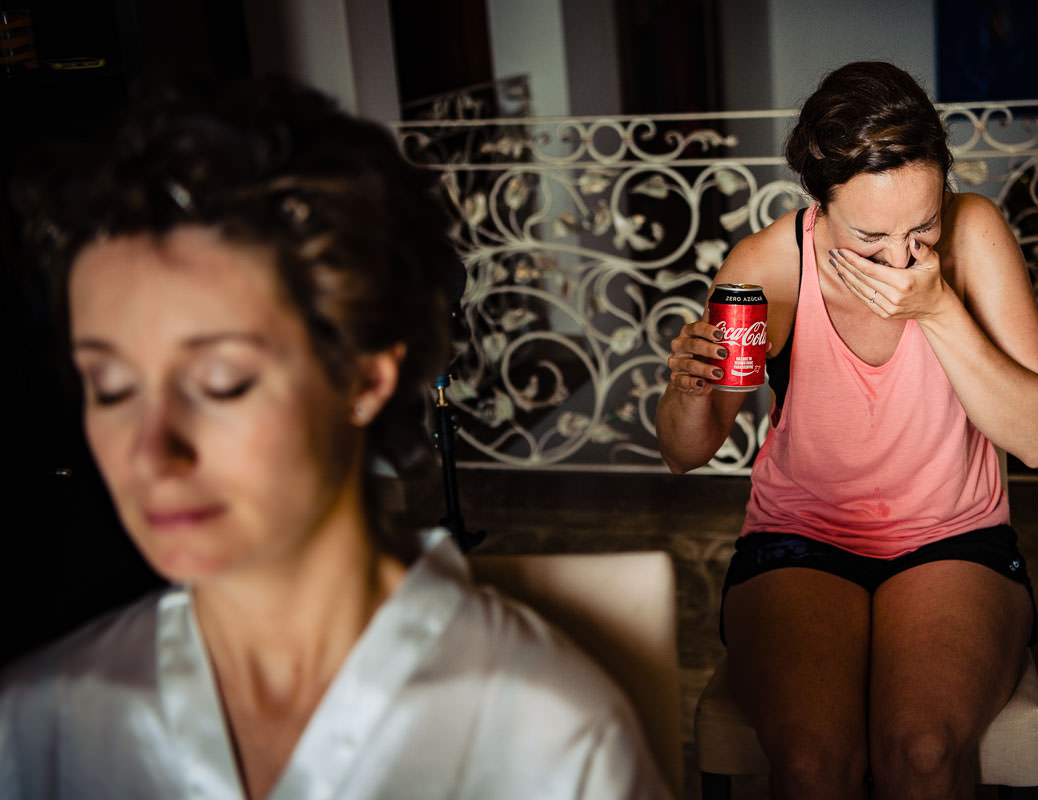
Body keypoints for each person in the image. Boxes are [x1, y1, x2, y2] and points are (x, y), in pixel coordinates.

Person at [0, 77, 669, 800]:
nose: (150, 454)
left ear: (364, 377)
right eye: (110, 388)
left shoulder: (549, 741)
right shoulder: (39, 721)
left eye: (222, 382)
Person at [656, 61, 1038, 799]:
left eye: (922, 225)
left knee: (922, 750)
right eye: (871, 234)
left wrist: (938, 309)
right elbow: (685, 452)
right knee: (813, 760)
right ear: (820, 207)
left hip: (953, 538)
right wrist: (689, 388)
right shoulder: (769, 265)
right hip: (800, 538)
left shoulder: (974, 231)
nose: (902, 256)